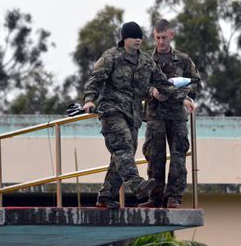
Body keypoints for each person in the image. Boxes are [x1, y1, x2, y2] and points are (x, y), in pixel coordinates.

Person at [83, 21, 193, 209]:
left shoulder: (146, 61)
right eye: (134, 37)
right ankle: (137, 185)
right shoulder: (111, 57)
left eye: (140, 37)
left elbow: (163, 83)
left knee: (124, 153)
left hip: (132, 115)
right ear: (125, 39)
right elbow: (96, 79)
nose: (138, 40)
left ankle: (105, 195)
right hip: (112, 111)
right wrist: (89, 100)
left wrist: (182, 98)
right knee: (124, 146)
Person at [139, 19, 201, 209]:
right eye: (157, 37)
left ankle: (174, 197)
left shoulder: (182, 59)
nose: (161, 42)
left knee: (178, 157)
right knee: (154, 157)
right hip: (155, 115)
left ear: (171, 35)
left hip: (176, 116)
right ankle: (155, 198)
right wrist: (152, 92)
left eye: (164, 37)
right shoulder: (146, 60)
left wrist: (184, 96)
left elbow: (196, 83)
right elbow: (138, 85)